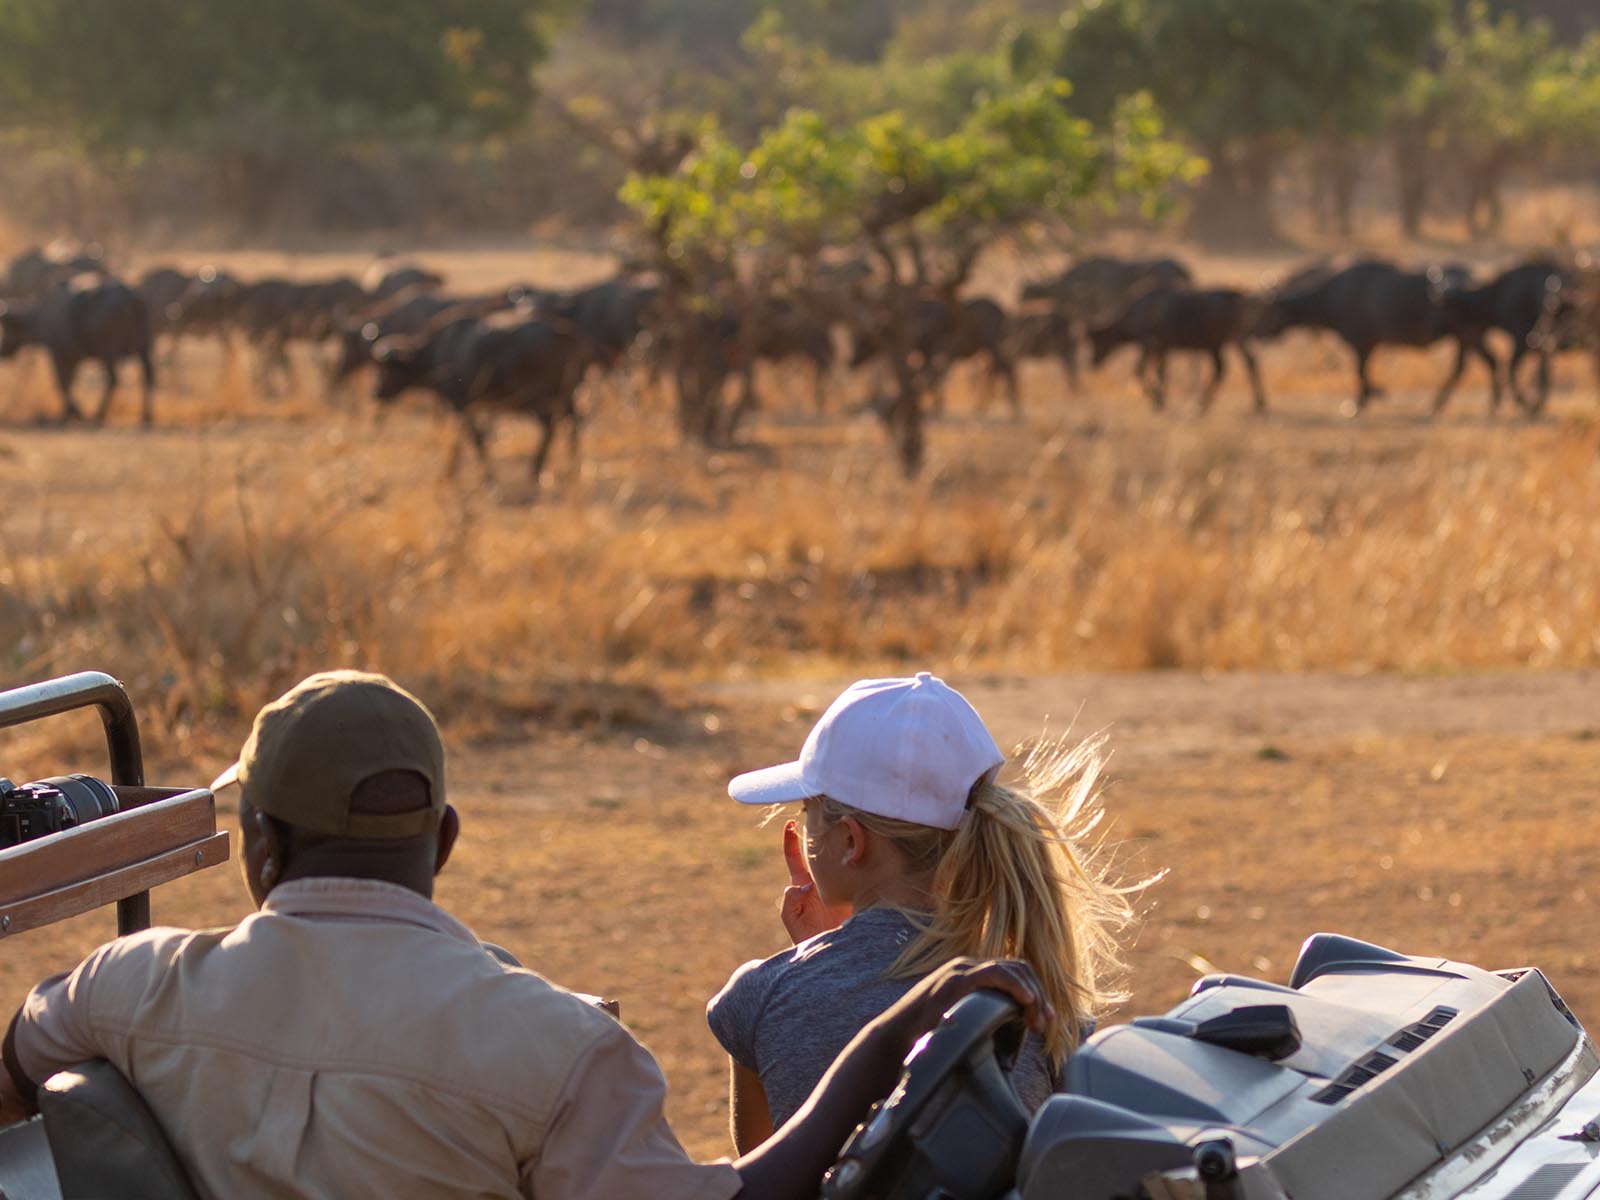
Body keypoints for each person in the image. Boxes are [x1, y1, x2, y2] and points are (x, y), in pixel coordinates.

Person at [0, 669, 1051, 1200]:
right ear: (445, 840)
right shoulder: (559, 1054)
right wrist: (894, 1034)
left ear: (257, 847)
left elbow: (15, 1071)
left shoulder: (123, 989)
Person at [708, 671, 1133, 1152]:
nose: (803, 829)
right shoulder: (1042, 1000)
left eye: (808, 810)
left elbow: (766, 1173)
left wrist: (813, 959)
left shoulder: (763, 996)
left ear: (850, 840)